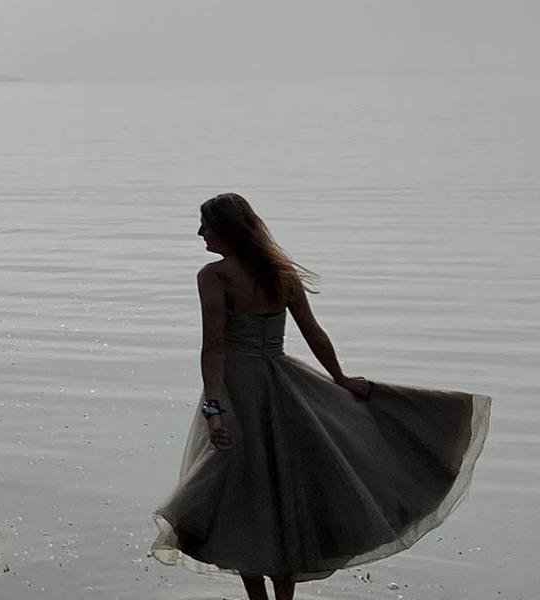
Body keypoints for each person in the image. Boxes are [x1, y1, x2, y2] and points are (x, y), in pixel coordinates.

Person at [151, 193, 490, 600]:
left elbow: (215, 348)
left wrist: (214, 410)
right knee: (287, 498)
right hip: (284, 389)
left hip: (236, 392)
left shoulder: (214, 276)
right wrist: (340, 379)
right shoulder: (282, 274)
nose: (200, 232)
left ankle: (257, 597)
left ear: (227, 229)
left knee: (241, 499)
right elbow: (315, 335)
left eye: (206, 224)